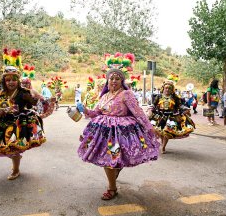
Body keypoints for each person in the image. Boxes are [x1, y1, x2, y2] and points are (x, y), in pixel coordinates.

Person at [78, 67, 160, 201]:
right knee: (110, 161)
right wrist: (85, 110)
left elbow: (138, 112)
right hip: (103, 134)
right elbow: (96, 113)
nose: (114, 81)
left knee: (111, 160)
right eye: (111, 78)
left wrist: (149, 128)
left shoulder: (126, 94)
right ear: (107, 81)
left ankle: (112, 189)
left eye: (117, 78)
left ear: (122, 81)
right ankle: (113, 182)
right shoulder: (104, 96)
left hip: (119, 135)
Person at [0, 66, 47, 180]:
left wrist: (34, 100)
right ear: (4, 81)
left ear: (18, 80)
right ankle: (16, 161)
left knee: (13, 147)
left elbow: (37, 105)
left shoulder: (24, 92)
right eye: (8, 80)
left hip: (19, 124)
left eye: (14, 79)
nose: (11, 82)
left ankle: (16, 170)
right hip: (2, 122)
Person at [148, 80, 195, 154]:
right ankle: (162, 141)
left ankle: (163, 146)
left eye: (169, 88)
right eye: (166, 88)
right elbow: (153, 105)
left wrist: (186, 109)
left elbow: (180, 106)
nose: (167, 90)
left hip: (171, 117)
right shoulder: (159, 96)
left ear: (172, 90)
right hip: (159, 116)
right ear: (163, 88)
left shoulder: (175, 97)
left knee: (167, 132)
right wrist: (150, 110)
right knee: (159, 132)